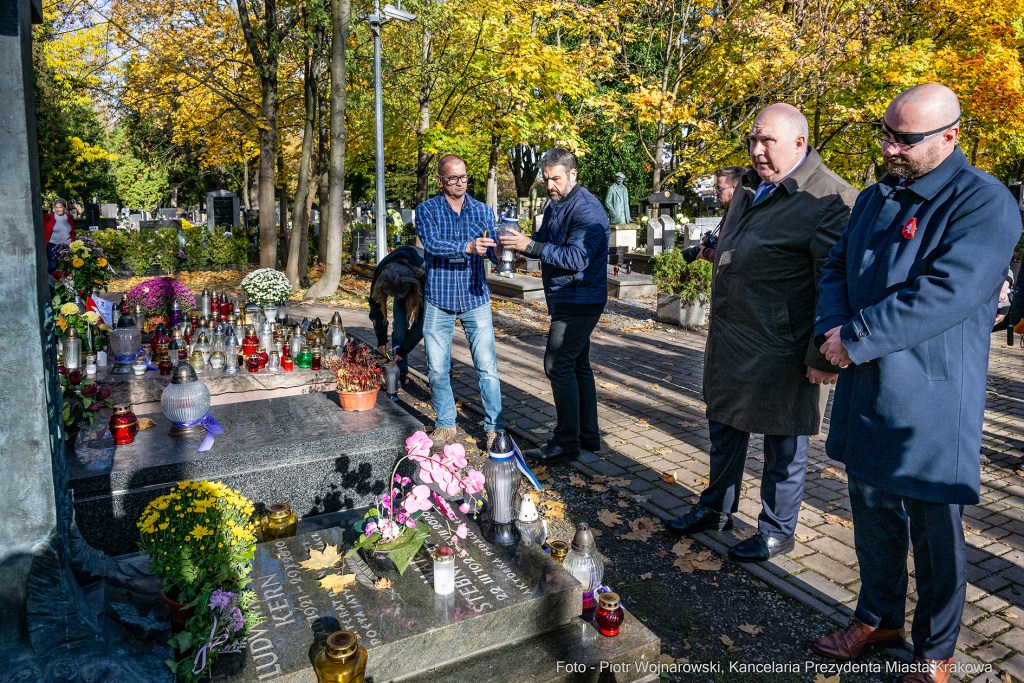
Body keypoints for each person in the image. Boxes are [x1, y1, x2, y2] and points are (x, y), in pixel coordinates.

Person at [811, 84, 1021, 683]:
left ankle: (935, 651)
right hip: (865, 383)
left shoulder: (983, 201)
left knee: (934, 531)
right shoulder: (878, 196)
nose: (890, 148)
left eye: (905, 140)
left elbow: (946, 292)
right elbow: (836, 266)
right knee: (872, 509)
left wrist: (853, 337)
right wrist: (831, 328)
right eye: (887, 134)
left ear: (950, 136)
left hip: (929, 395)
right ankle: (878, 616)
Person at [665, 103, 858, 563]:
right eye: (752, 140)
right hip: (732, 340)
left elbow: (834, 283)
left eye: (766, 141)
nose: (756, 151)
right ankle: (716, 509)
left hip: (784, 348)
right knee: (724, 429)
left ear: (799, 142)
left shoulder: (830, 198)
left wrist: (820, 356)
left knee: (784, 443)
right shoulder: (752, 188)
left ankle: (777, 529)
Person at [499, 148, 610, 462]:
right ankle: (587, 438)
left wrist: (531, 245)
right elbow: (543, 242)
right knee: (577, 365)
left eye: (556, 179)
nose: (550, 185)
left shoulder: (587, 208)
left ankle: (565, 442)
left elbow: (577, 258)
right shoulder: (555, 205)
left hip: (580, 297)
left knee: (557, 364)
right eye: (546, 179)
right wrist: (515, 246)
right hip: (566, 296)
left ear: (572, 175)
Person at [416, 153, 503, 447]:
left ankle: (494, 427)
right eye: (453, 178)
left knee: (487, 367)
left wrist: (502, 249)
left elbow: (491, 250)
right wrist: (467, 247)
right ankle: (445, 424)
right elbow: (433, 245)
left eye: (464, 177)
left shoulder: (483, 211)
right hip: (439, 297)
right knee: (438, 367)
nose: (460, 183)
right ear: (440, 180)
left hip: (475, 296)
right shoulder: (426, 210)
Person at [368, 244, 426, 383]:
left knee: (432, 333)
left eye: (399, 296)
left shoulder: (425, 270)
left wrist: (404, 349)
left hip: (424, 288)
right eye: (394, 296)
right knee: (400, 324)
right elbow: (376, 307)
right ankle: (400, 370)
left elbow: (424, 322)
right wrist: (381, 338)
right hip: (403, 282)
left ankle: (443, 373)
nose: (397, 299)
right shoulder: (381, 272)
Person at [43, 198, 75, 274]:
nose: (58, 209)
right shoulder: (48, 217)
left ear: (64, 208)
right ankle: (47, 282)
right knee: (52, 265)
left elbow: (72, 232)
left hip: (66, 245)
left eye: (60, 207)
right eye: (56, 207)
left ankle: (67, 283)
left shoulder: (70, 217)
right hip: (53, 245)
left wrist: (73, 244)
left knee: (68, 266)